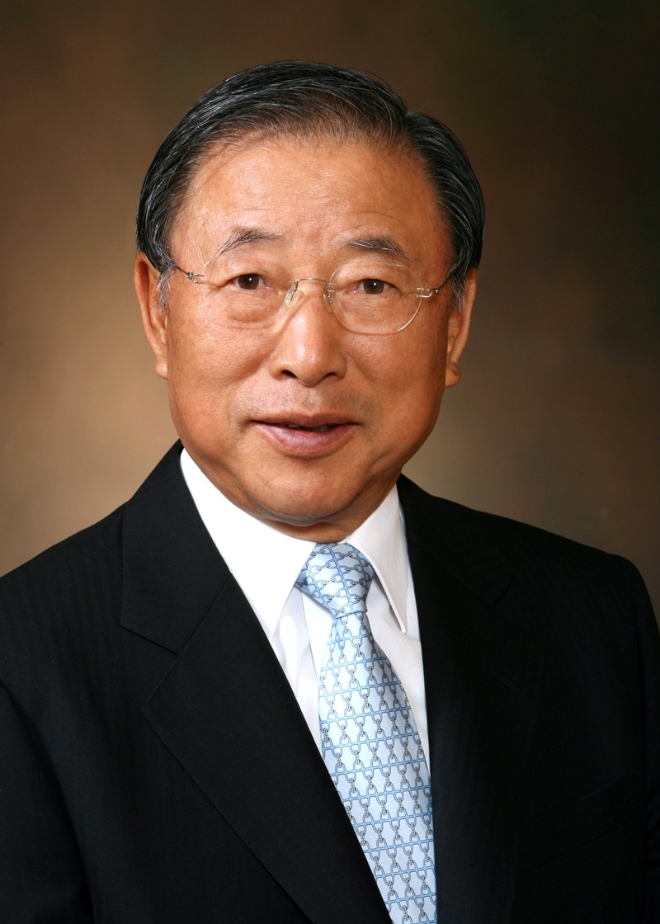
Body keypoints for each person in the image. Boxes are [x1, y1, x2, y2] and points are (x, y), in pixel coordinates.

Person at [0, 61, 658, 924]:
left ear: (455, 324)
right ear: (158, 311)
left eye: (371, 286)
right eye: (249, 281)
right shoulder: (23, 667)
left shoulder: (593, 617)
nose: (309, 356)